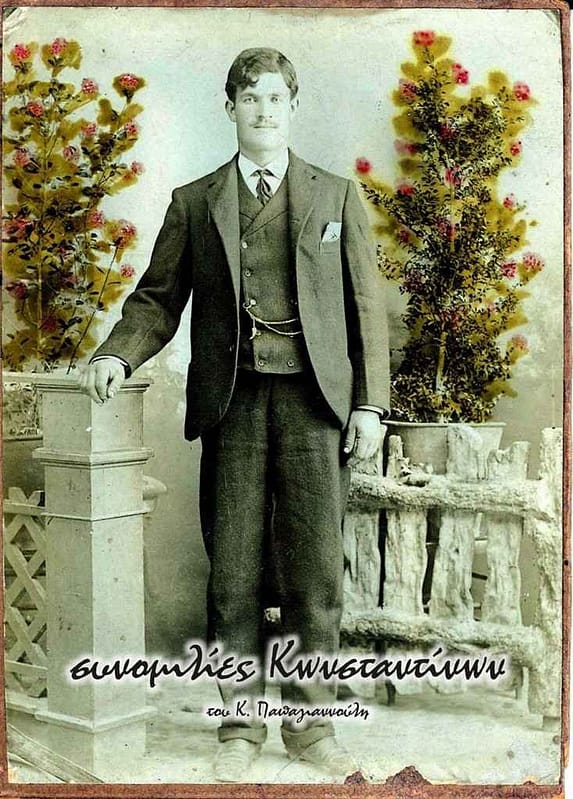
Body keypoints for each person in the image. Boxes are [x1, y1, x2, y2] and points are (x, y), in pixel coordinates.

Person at [81, 47, 390, 782]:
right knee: (233, 576)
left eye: (276, 98)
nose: (263, 111)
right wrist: (117, 355)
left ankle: (311, 728)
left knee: (316, 574)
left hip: (316, 406)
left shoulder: (336, 195)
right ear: (230, 109)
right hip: (234, 405)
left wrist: (370, 404)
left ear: (292, 106)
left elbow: (366, 308)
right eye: (250, 98)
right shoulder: (195, 201)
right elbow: (157, 300)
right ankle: (240, 726)